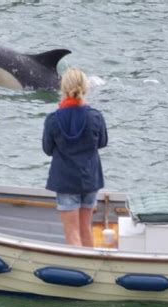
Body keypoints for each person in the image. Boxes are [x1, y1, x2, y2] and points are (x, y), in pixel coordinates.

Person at [42, 68, 108, 247]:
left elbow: (48, 149)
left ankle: (80, 271)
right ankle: (91, 267)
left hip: (65, 181)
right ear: (85, 88)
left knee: (72, 233)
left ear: (63, 88)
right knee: (86, 227)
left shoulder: (53, 119)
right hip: (89, 179)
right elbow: (102, 143)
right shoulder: (95, 117)